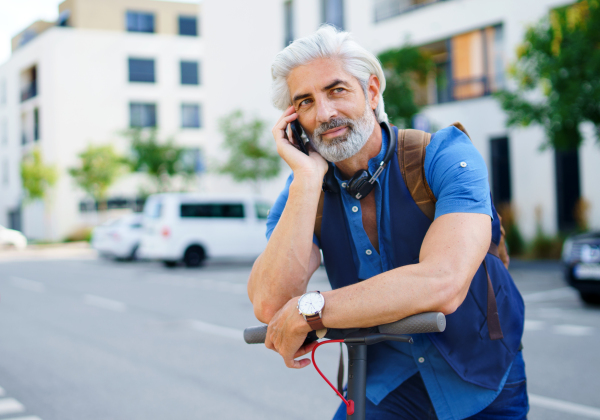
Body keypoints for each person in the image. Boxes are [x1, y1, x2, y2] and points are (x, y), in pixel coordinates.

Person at [247, 25, 527, 420]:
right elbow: (270, 303)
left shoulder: (444, 154)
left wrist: (311, 310)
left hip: (481, 376)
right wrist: (307, 180)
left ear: (372, 91)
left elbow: (442, 282)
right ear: (295, 122)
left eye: (337, 90)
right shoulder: (303, 190)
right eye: (306, 102)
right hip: (385, 384)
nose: (325, 113)